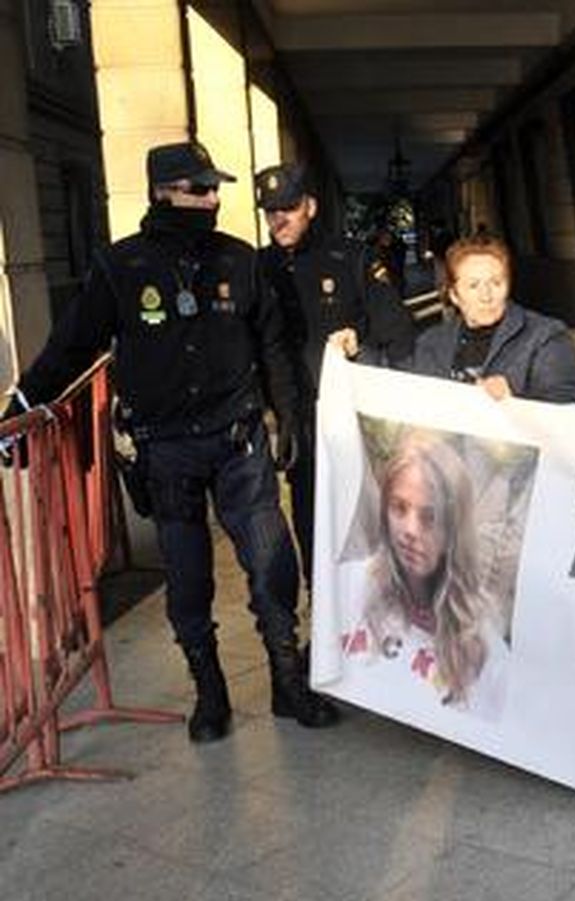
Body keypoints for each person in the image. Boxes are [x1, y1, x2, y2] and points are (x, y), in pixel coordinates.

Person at [1, 141, 337, 741]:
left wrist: (287, 419)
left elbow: (272, 348)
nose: (213, 199)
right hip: (167, 449)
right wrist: (22, 405)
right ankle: (210, 695)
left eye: (215, 189)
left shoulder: (241, 261)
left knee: (271, 563)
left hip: (239, 441)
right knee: (187, 580)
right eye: (200, 189)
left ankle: (289, 683)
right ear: (165, 192)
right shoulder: (119, 267)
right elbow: (72, 345)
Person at [255, 162, 416, 586]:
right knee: (311, 523)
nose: (278, 219)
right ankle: (324, 620)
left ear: (309, 205)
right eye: (270, 211)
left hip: (351, 420)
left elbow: (396, 331)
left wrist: (358, 337)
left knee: (368, 521)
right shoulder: (257, 268)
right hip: (298, 423)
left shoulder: (353, 257)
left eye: (287, 208)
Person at [340, 432, 507, 718]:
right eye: (399, 508)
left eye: (429, 517)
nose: (410, 531)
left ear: (454, 529)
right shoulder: (348, 585)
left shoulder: (485, 641)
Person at [408, 233, 575, 403]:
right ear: (454, 295)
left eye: (496, 283)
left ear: (508, 286)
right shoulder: (431, 343)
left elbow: (568, 403)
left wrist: (515, 399)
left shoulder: (545, 336)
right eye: (473, 285)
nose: (486, 296)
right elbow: (423, 407)